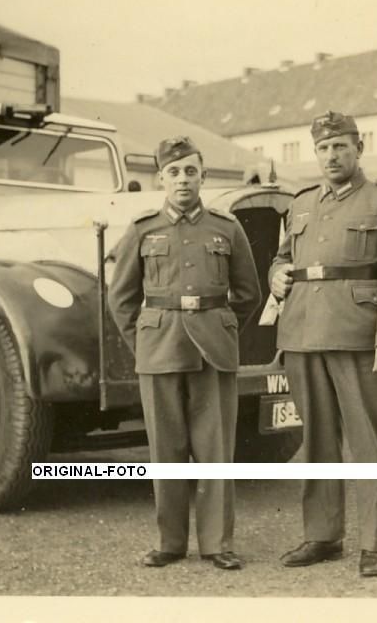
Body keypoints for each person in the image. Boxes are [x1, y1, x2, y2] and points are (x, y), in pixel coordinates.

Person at [269, 111, 377, 577]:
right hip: (303, 334)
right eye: (323, 147)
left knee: (367, 443)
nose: (331, 155)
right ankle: (322, 535)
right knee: (315, 442)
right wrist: (275, 273)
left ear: (359, 148)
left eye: (340, 146)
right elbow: (284, 259)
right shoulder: (300, 204)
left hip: (359, 337)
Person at [108, 136, 261, 571]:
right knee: (166, 451)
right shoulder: (142, 229)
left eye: (191, 171)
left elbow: (248, 293)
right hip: (159, 349)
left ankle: (217, 544)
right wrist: (144, 342)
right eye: (174, 172)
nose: (183, 179)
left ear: (203, 176)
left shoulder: (226, 228)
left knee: (216, 451)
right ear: (160, 178)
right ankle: (170, 542)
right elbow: (120, 299)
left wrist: (224, 329)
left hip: (213, 350)